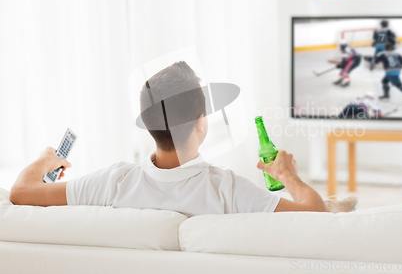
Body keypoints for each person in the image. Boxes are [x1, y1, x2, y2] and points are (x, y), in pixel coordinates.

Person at [9, 61, 356, 216]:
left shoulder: (111, 182)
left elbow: (21, 193)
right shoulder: (228, 190)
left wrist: (45, 160)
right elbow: (316, 215)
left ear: (147, 125)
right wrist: (287, 176)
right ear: (201, 123)